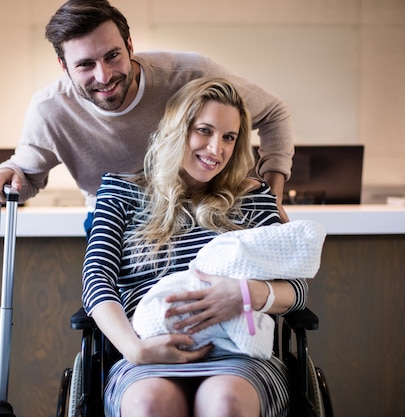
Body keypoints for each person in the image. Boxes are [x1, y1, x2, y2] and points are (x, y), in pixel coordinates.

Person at [82, 77, 308, 417]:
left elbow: (297, 289)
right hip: (146, 354)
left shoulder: (254, 197)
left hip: (238, 353)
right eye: (204, 130)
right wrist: (136, 350)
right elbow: (96, 279)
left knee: (224, 402)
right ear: (178, 129)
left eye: (229, 137)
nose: (216, 149)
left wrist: (244, 294)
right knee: (150, 405)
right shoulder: (119, 192)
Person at [0, 0, 295, 225]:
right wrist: (10, 176)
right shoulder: (49, 109)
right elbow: (24, 177)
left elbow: (275, 114)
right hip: (116, 224)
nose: (104, 76)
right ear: (63, 66)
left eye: (113, 55)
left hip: (198, 214)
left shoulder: (192, 73)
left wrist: (272, 195)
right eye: (85, 64)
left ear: (130, 45)